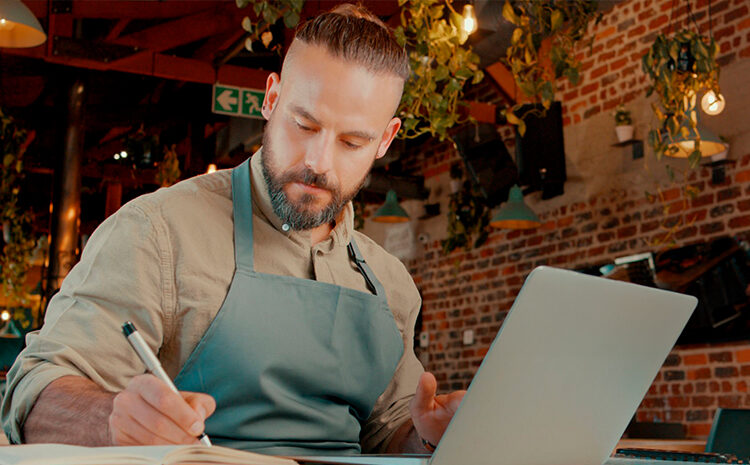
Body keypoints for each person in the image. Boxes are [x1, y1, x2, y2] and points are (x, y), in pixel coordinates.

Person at [0, 4, 465, 456]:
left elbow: (387, 435)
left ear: (385, 139)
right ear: (271, 98)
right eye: (304, 124)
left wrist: (428, 435)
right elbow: (35, 388)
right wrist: (110, 420)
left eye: (351, 142)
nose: (317, 162)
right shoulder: (157, 233)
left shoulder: (392, 286)